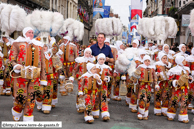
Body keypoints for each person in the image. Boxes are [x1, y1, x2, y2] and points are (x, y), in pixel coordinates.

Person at [10, 27, 47, 122]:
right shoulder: (17, 43)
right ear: (24, 33)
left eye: (32, 32)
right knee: (21, 96)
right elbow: (11, 59)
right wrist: (16, 65)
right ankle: (17, 111)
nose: (31, 34)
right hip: (20, 75)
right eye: (29, 32)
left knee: (31, 97)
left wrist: (43, 78)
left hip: (35, 75)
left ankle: (28, 115)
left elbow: (43, 63)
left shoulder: (39, 45)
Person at [167, 56, 192, 123]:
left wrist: (190, 79)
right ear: (179, 61)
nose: (185, 62)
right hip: (177, 89)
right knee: (174, 101)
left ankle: (183, 116)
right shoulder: (173, 70)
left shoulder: (186, 70)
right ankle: (170, 114)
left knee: (184, 102)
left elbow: (188, 78)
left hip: (185, 89)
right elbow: (169, 80)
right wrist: (176, 82)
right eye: (183, 60)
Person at [132, 55, 157, 120]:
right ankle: (140, 113)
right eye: (146, 61)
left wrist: (156, 84)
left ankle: (145, 113)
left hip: (149, 86)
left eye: (148, 61)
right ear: (143, 61)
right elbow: (135, 75)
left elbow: (155, 77)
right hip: (142, 85)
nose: (147, 62)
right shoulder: (140, 67)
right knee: (142, 98)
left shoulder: (152, 69)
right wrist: (135, 80)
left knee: (148, 99)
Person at [70, 48, 96, 113]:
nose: (88, 54)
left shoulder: (92, 61)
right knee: (80, 92)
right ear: (84, 53)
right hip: (81, 78)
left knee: (87, 92)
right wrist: (72, 76)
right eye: (87, 53)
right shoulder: (79, 60)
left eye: (89, 53)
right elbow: (75, 69)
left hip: (89, 79)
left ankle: (86, 105)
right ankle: (79, 105)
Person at [94, 53, 111, 121]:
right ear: (98, 59)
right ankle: (95, 112)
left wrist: (107, 78)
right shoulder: (95, 67)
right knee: (96, 98)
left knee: (104, 98)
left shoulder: (107, 68)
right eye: (100, 59)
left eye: (103, 59)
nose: (102, 60)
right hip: (96, 86)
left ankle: (105, 113)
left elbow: (109, 75)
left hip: (104, 86)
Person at [185, 48, 194, 113]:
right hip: (192, 77)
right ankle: (188, 103)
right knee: (191, 92)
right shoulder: (189, 58)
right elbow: (187, 68)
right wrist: (191, 72)